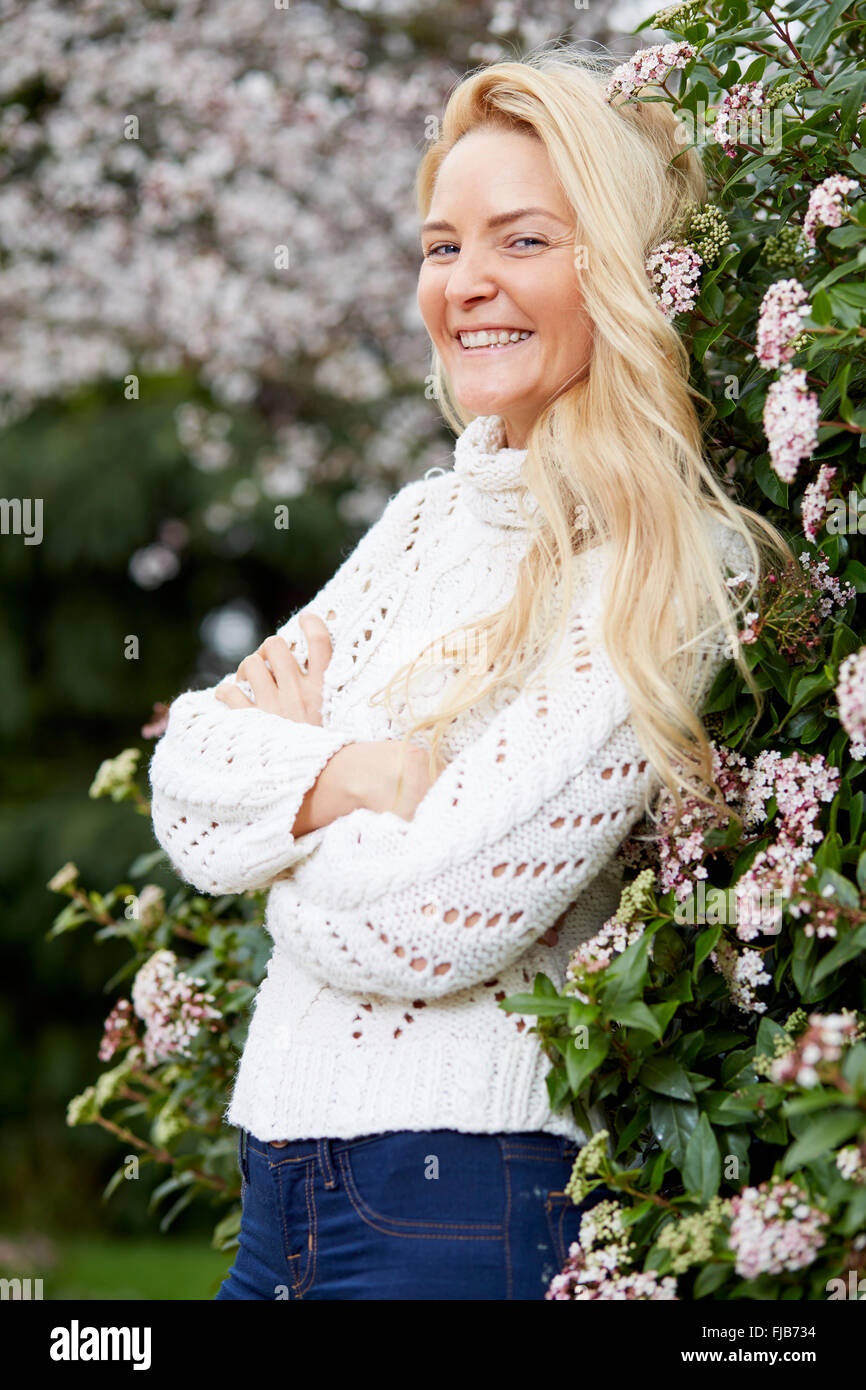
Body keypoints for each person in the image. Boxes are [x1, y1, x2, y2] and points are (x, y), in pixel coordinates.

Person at [148, 41, 792, 1300]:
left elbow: (432, 914)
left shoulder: (662, 561)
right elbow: (185, 774)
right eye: (442, 247)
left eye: (521, 241)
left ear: (610, 265)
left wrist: (282, 811)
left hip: (450, 1208)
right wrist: (368, 778)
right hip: (275, 1195)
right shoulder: (422, 523)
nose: (467, 284)